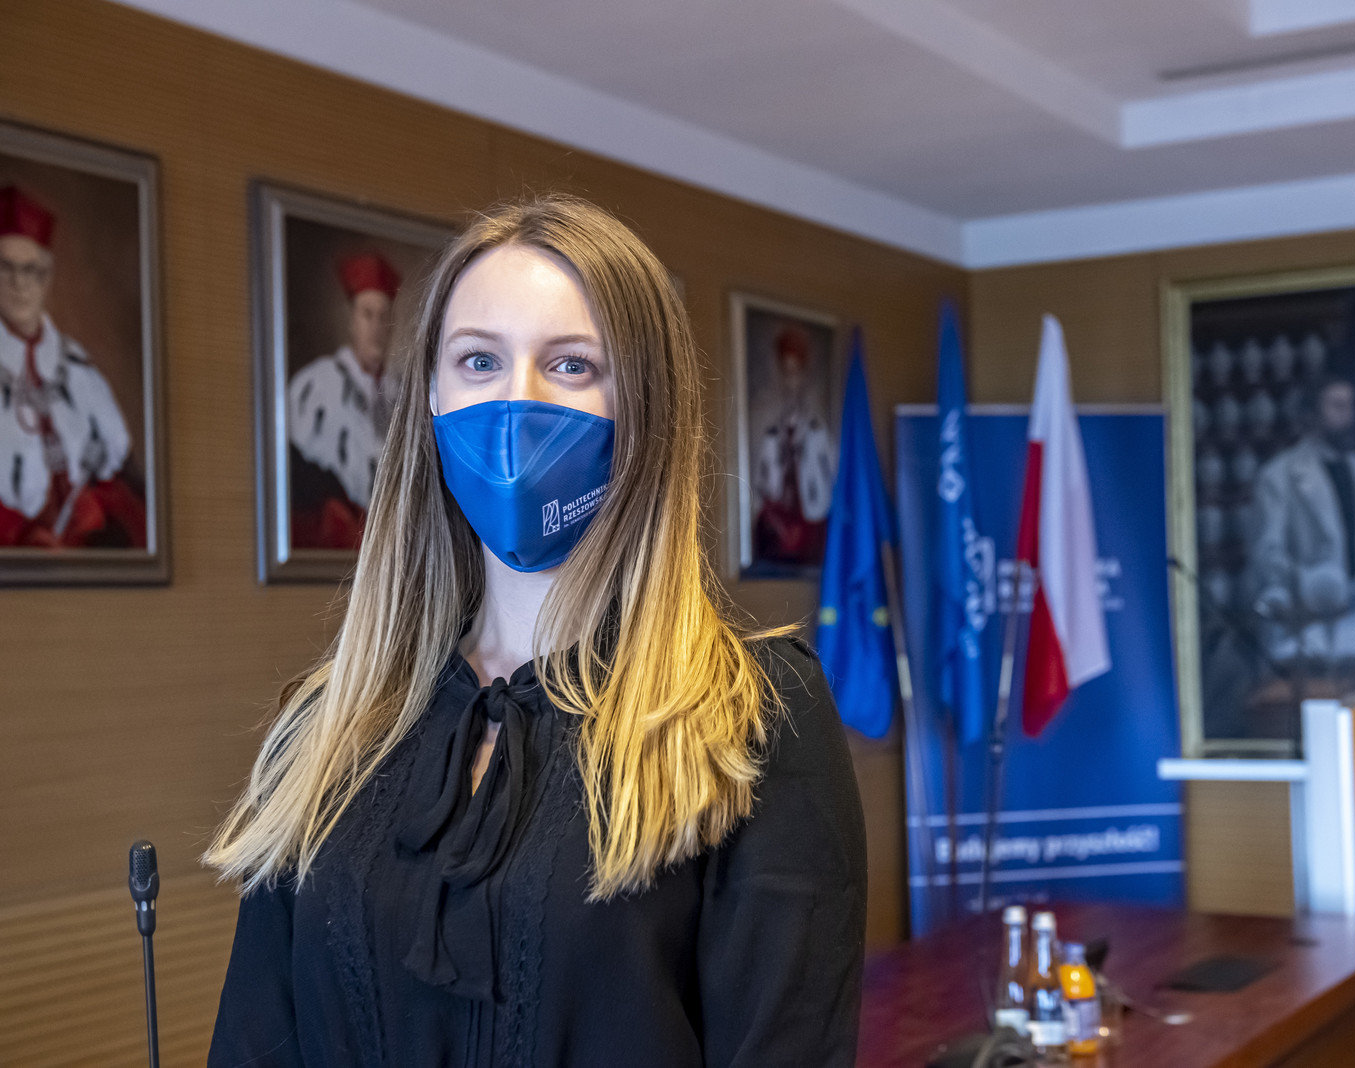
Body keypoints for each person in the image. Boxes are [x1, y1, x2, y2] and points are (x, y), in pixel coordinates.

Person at [206, 195, 867, 1067]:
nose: (516, 404)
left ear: (647, 408)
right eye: (479, 360)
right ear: (430, 398)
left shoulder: (757, 718)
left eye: (570, 365)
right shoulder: (328, 726)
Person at [0, 184, 144, 548]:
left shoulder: (78, 367)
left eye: (31, 270)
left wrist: (97, 507)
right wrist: (23, 534)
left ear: (46, 277)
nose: (19, 284)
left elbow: (124, 483)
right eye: (6, 268)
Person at [1251, 376, 1355, 622]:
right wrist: (1314, 583)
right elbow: (1268, 553)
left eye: (1350, 406)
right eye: (1337, 406)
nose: (1348, 416)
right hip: (1305, 615)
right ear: (1312, 416)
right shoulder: (1279, 476)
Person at [286, 251, 402, 548]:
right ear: (352, 320)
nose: (376, 328)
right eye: (367, 315)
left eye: (384, 317)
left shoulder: (402, 394)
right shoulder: (315, 386)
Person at [753, 322, 834, 566]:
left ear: (804, 376)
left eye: (795, 372)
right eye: (785, 372)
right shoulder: (771, 431)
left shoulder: (817, 430)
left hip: (810, 517)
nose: (790, 381)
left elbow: (830, 477)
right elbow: (761, 482)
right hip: (780, 521)